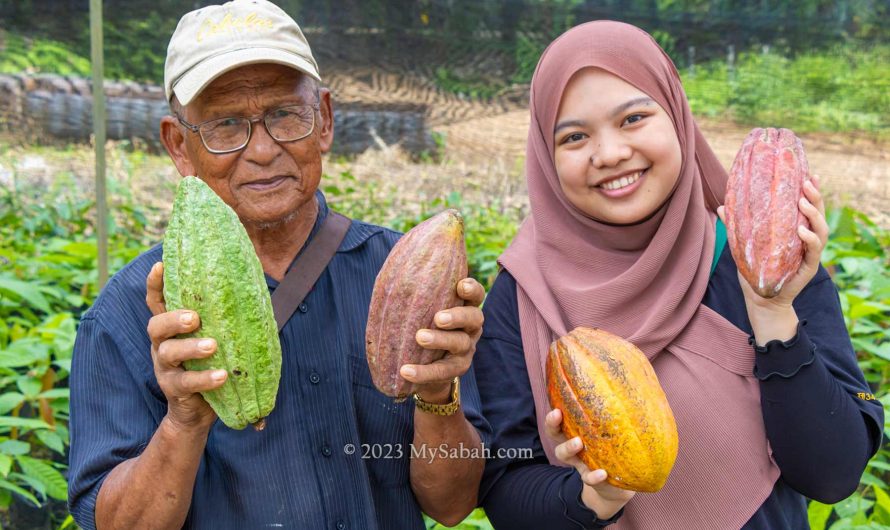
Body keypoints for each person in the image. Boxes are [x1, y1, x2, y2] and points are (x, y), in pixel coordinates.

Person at [67, 1, 490, 529]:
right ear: (179, 146)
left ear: (325, 122)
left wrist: (436, 396)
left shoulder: (405, 279)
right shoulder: (130, 314)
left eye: (285, 115)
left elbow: (452, 506)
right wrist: (184, 419)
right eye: (225, 125)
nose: (263, 150)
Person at [472, 20, 882, 529]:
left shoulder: (754, 258)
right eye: (574, 136)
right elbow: (504, 487)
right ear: (545, 156)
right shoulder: (522, 295)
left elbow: (833, 474)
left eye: (634, 118)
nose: (611, 154)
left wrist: (772, 312)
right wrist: (595, 497)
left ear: (678, 117)